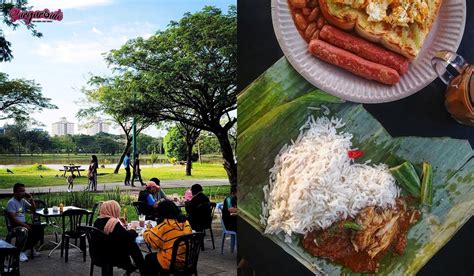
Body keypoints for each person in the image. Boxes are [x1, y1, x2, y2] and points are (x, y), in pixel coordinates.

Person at [93, 200, 145, 274]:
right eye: (117, 210)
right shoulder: (113, 223)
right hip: (110, 255)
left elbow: (117, 235)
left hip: (97, 252)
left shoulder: (98, 220)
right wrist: (133, 229)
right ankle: (141, 268)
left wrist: (120, 224)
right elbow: (127, 237)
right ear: (113, 210)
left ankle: (132, 266)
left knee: (130, 244)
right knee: (132, 244)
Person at [143, 200, 192, 275]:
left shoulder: (164, 226)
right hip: (187, 259)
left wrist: (147, 230)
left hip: (171, 261)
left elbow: (153, 244)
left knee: (149, 258)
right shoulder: (185, 222)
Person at [6, 183, 44, 262]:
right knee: (26, 230)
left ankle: (28, 249)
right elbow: (13, 219)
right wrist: (25, 225)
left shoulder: (23, 201)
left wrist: (31, 198)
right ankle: (20, 252)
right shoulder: (11, 202)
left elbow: (33, 209)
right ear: (15, 192)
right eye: (20, 191)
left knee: (39, 228)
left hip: (23, 223)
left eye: (24, 191)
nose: (23, 193)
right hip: (14, 225)